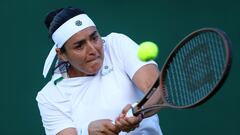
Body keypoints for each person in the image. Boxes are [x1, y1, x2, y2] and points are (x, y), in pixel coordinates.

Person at [36, 7, 163, 135]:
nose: (93, 50)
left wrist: (139, 111)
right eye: (79, 46)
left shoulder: (117, 45)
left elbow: (156, 89)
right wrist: (87, 132)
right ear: (62, 54)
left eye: (94, 38)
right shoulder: (50, 96)